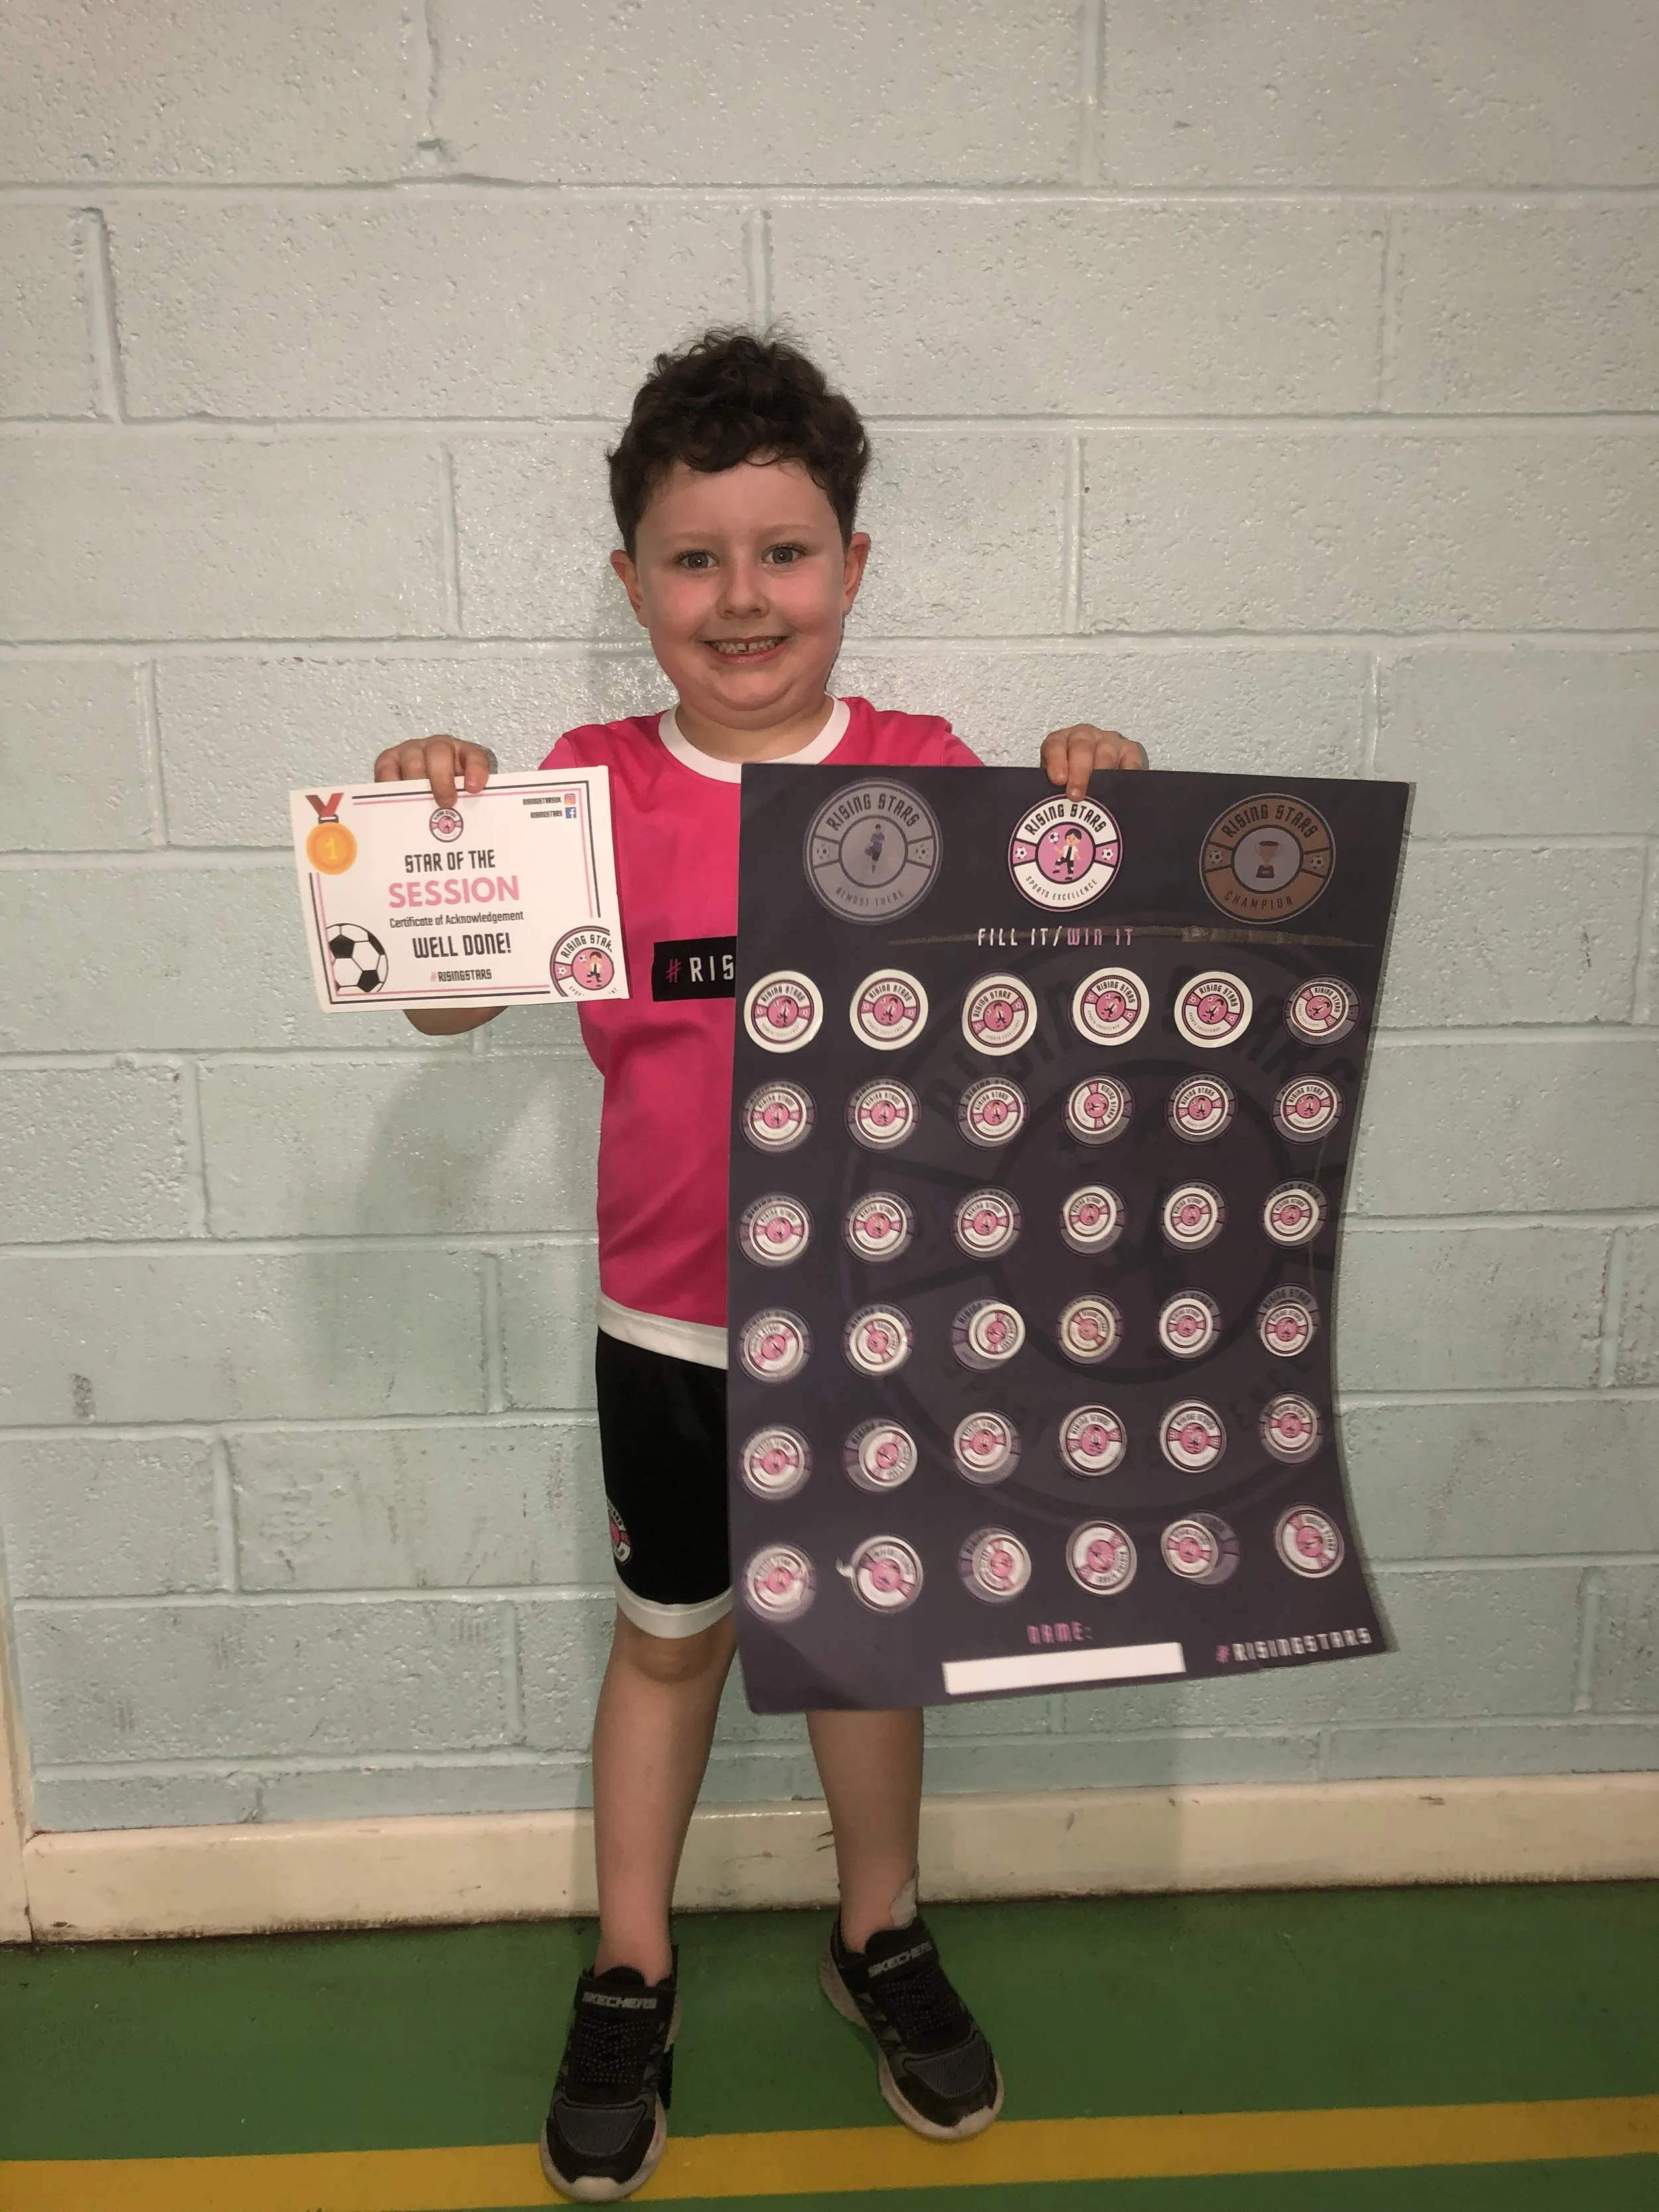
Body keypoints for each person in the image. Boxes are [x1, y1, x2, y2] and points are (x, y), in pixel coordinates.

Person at [375, 330, 1146, 2203]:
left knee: (866, 1635)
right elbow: (445, 1005)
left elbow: (1052, 1003)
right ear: (631, 581)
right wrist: (436, 833)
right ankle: (629, 1962)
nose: (743, 598)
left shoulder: (930, 775)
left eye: (783, 553)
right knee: (673, 1645)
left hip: (877, 1311)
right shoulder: (570, 789)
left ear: (852, 569)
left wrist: (1091, 811)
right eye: (696, 558)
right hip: (668, 1325)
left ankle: (874, 1926)